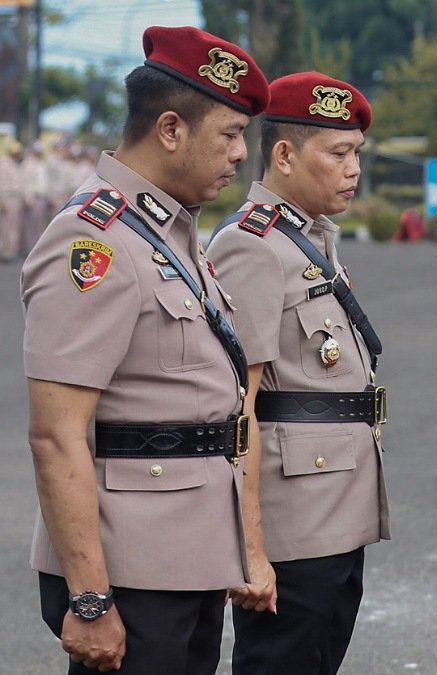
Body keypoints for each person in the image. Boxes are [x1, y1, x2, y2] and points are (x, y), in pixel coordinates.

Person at [21, 25, 269, 674]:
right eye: (230, 134)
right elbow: (56, 434)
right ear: (169, 130)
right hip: (129, 572)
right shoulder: (94, 241)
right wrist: (91, 597)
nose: (242, 155)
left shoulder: (170, 232)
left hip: (185, 558)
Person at [206, 71, 390, 675]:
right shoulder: (252, 245)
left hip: (333, 508)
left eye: (356, 153)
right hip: (294, 525)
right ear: (283, 154)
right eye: (338, 153)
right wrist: (251, 549)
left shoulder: (304, 238)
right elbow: (240, 407)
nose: (353, 168)